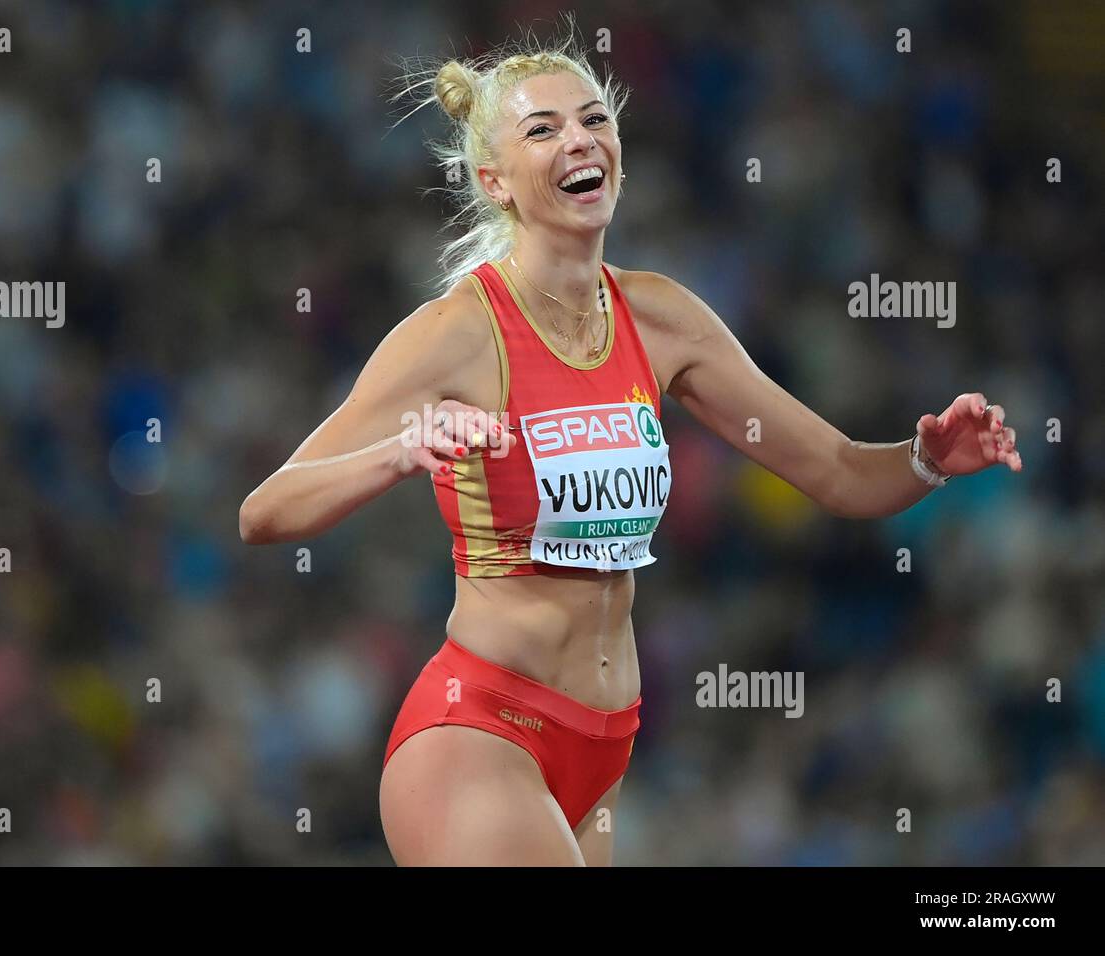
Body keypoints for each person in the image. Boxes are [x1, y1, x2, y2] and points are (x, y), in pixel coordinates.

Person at [239, 32, 1022, 867]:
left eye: (593, 119)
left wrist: (926, 458)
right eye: (542, 130)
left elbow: (835, 471)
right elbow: (266, 510)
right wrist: (400, 452)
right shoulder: (456, 334)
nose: (578, 139)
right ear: (493, 181)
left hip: (602, 754)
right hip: (479, 734)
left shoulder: (662, 318)